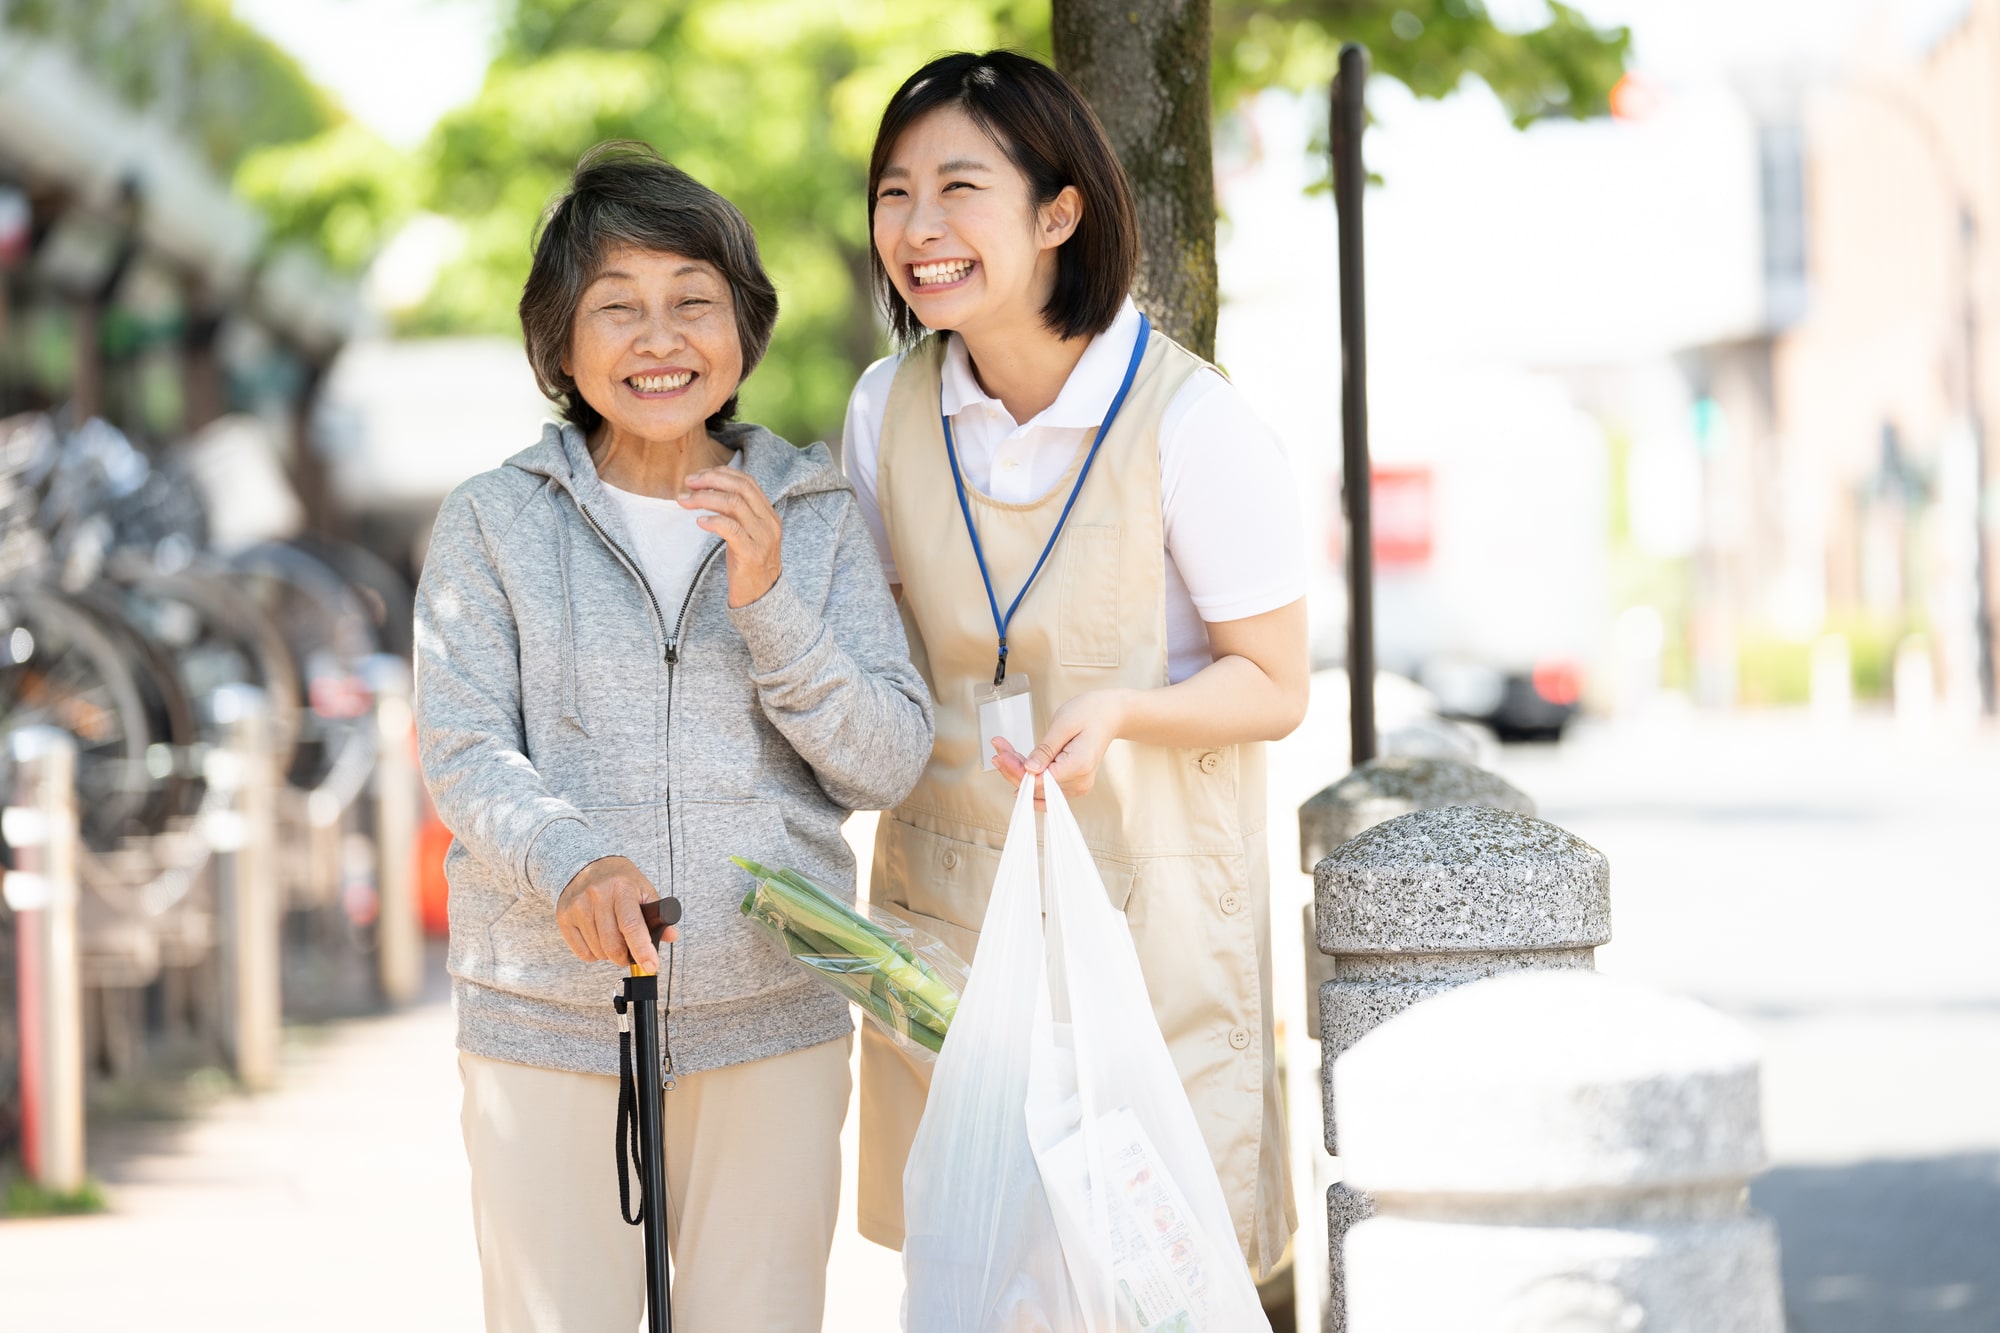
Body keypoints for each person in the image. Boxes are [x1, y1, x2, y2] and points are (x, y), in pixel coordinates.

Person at [414, 142, 933, 1333]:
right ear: (559, 345)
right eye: (618, 309)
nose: (660, 339)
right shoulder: (493, 522)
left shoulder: (811, 512)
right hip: (547, 1017)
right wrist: (571, 860)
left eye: (693, 302)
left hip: (773, 1017)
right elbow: (464, 745)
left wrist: (769, 598)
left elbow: (886, 757)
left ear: (743, 330)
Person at [844, 50, 1309, 1276]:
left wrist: (1121, 712)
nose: (919, 228)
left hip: (1137, 908)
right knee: (978, 1273)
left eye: (959, 189)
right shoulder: (883, 412)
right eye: (895, 193)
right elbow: (878, 648)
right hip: (949, 909)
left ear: (1059, 213)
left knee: (1142, 1276)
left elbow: (1274, 683)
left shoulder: (1191, 423)